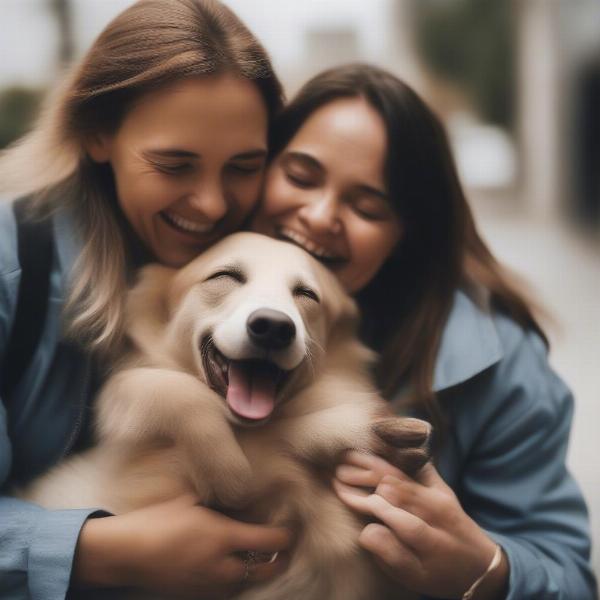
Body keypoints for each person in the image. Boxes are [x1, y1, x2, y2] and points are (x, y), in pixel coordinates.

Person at [252, 63, 598, 599]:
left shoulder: (501, 368)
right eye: (300, 176)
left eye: (368, 207)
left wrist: (486, 568)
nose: (321, 216)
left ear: (408, 234)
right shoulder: (181, 292)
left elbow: (570, 578)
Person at [0, 1, 292, 598]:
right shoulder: (11, 264)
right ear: (97, 133)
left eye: (244, 166)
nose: (211, 204)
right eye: (174, 164)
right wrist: (99, 552)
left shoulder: (277, 262)